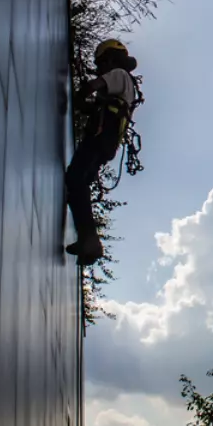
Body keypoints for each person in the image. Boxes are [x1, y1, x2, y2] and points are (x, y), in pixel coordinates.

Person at [65, 38, 140, 265]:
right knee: (79, 183)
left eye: (101, 63)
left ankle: (90, 240)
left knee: (75, 178)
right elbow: (97, 106)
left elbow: (92, 87)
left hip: (100, 136)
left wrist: (77, 94)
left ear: (111, 58)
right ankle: (88, 238)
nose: (100, 68)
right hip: (106, 143)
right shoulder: (126, 85)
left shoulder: (119, 74)